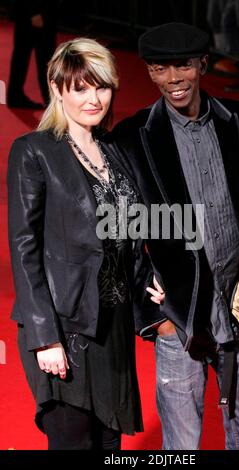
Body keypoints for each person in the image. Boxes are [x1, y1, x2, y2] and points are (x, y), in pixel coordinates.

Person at [111, 23, 239, 450]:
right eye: (160, 69)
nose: (174, 79)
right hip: (180, 316)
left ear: (202, 64)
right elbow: (122, 234)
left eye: (183, 66)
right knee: (181, 449)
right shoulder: (132, 139)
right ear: (148, 73)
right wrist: (159, 319)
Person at [7, 37, 162, 450]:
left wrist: (156, 280)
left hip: (110, 325)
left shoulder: (115, 151)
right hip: (64, 325)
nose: (94, 99)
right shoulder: (34, 152)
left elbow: (131, 233)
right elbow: (24, 248)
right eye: (80, 88)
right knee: (74, 442)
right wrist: (44, 337)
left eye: (102, 86)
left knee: (109, 442)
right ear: (58, 89)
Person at [7, 0, 57, 108]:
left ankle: (15, 96)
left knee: (23, 55)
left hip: (32, 12)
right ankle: (50, 100)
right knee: (44, 57)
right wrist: (33, 12)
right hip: (35, 12)